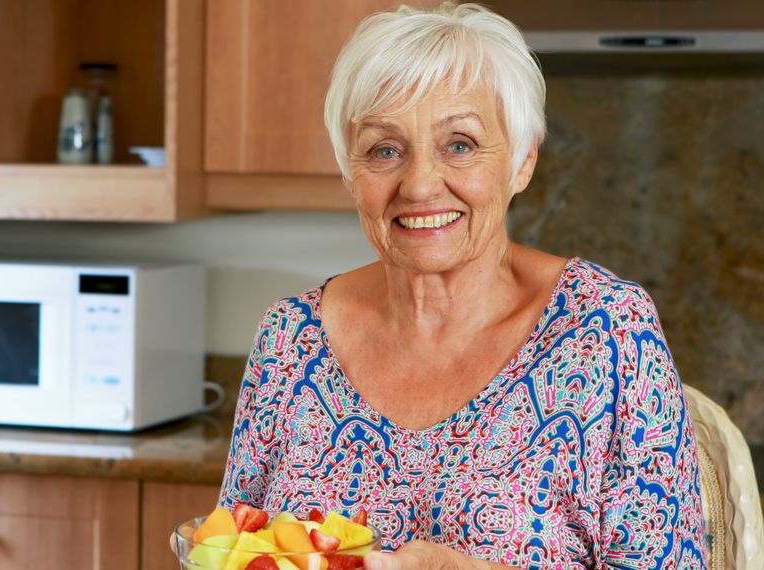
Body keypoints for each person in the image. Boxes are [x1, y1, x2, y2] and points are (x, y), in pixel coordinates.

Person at [218, 3, 706, 568]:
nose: (421, 183)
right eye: (385, 149)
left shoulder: (607, 332)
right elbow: (230, 548)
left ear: (522, 163)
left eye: (460, 145)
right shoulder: (287, 340)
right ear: (351, 175)